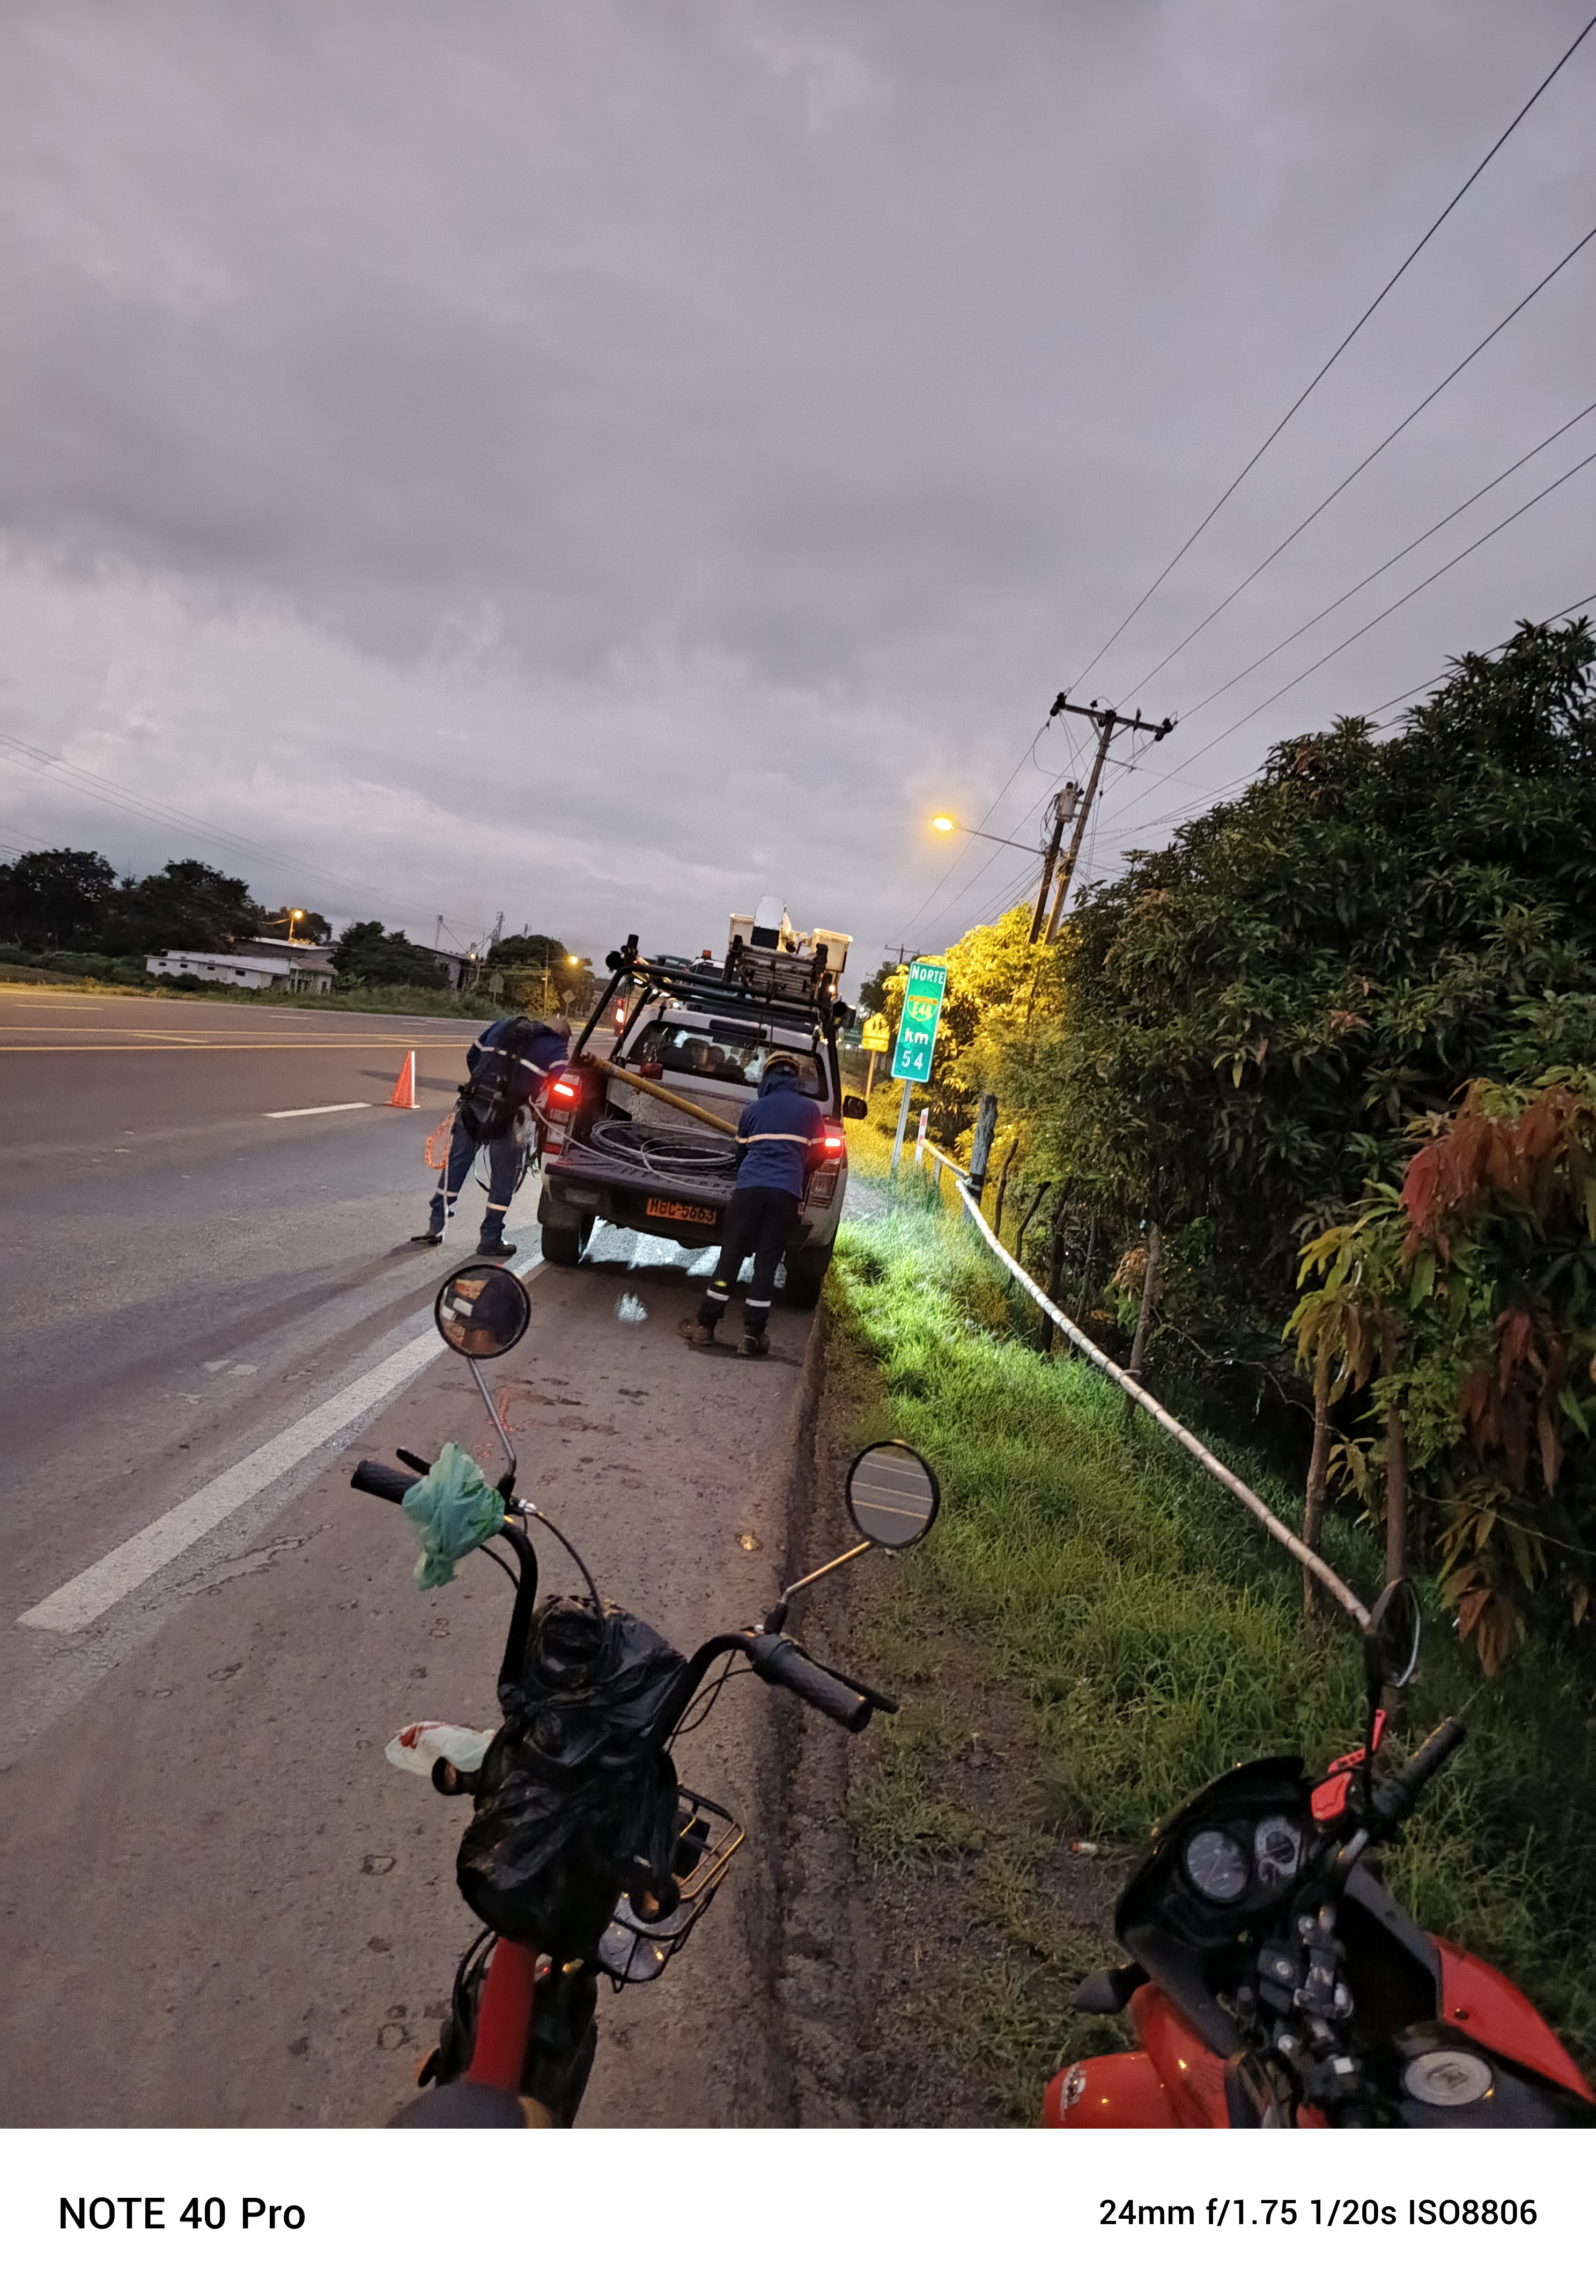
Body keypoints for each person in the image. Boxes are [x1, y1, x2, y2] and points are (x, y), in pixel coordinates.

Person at [683, 1052, 826, 1356]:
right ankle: (752, 1337)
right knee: (766, 1265)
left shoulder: (753, 1111)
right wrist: (797, 1171)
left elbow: (740, 1157)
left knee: (730, 1258)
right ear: (795, 1080)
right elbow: (820, 1154)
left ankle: (706, 1326)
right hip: (785, 1196)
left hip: (748, 1193)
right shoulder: (811, 1111)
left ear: (767, 1078)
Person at [416, 1013, 571, 1259]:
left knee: (456, 1166)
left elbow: (472, 1057)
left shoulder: (503, 1026)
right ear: (563, 1037)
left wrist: (486, 1087)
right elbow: (563, 1084)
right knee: (503, 1178)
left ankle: (436, 1228)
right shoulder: (555, 1046)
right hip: (510, 1116)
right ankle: (490, 1239)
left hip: (473, 1104)